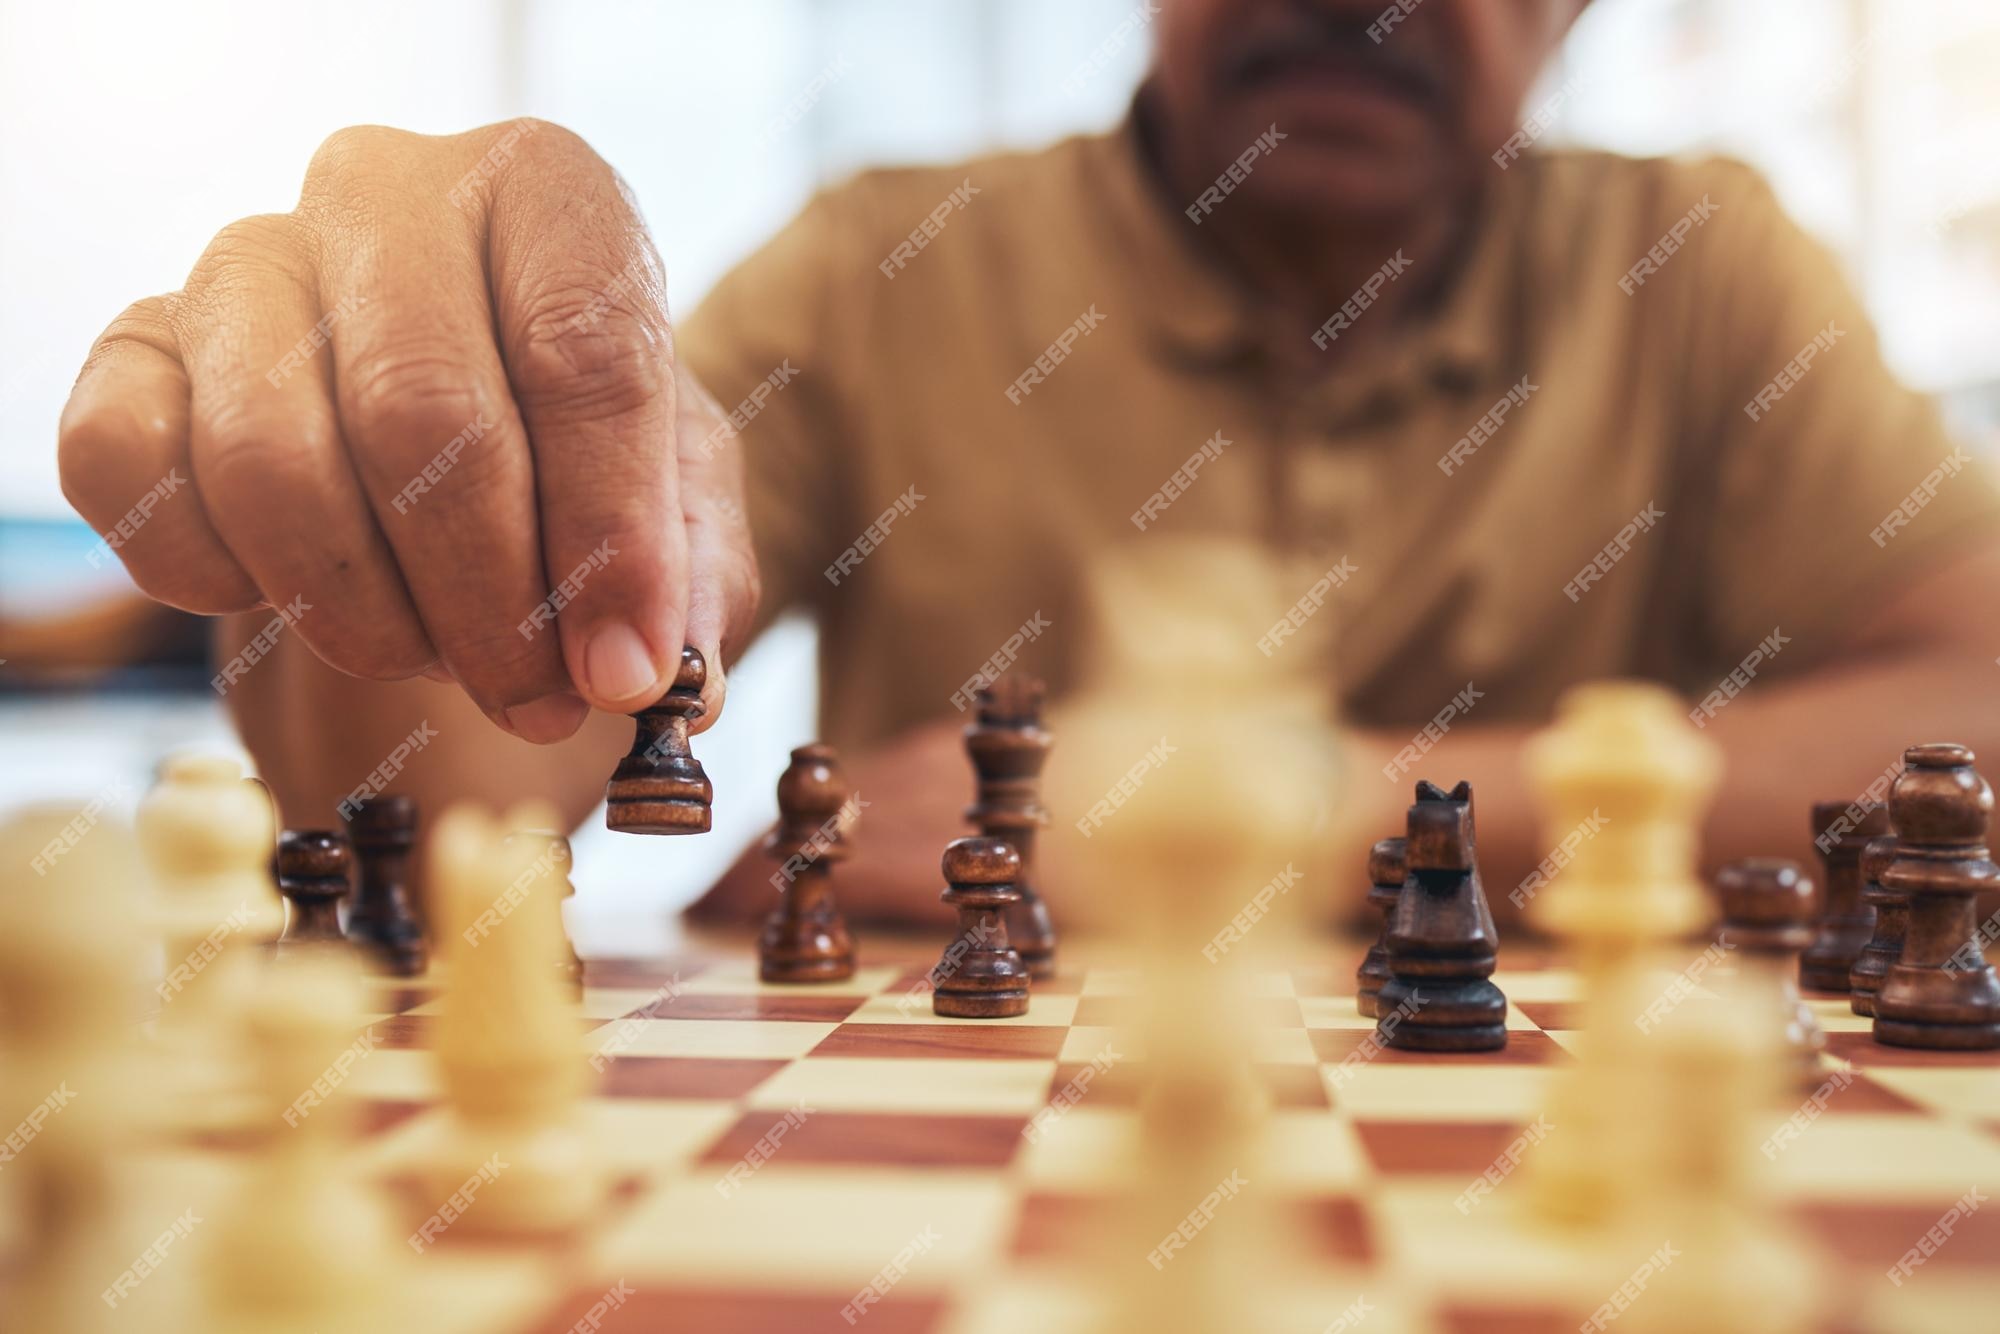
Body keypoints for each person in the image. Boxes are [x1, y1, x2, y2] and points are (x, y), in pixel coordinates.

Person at [57, 0, 2000, 926]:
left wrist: (1306, 807)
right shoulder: (883, 266)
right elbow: (469, 784)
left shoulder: (1700, 273)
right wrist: (407, 449)